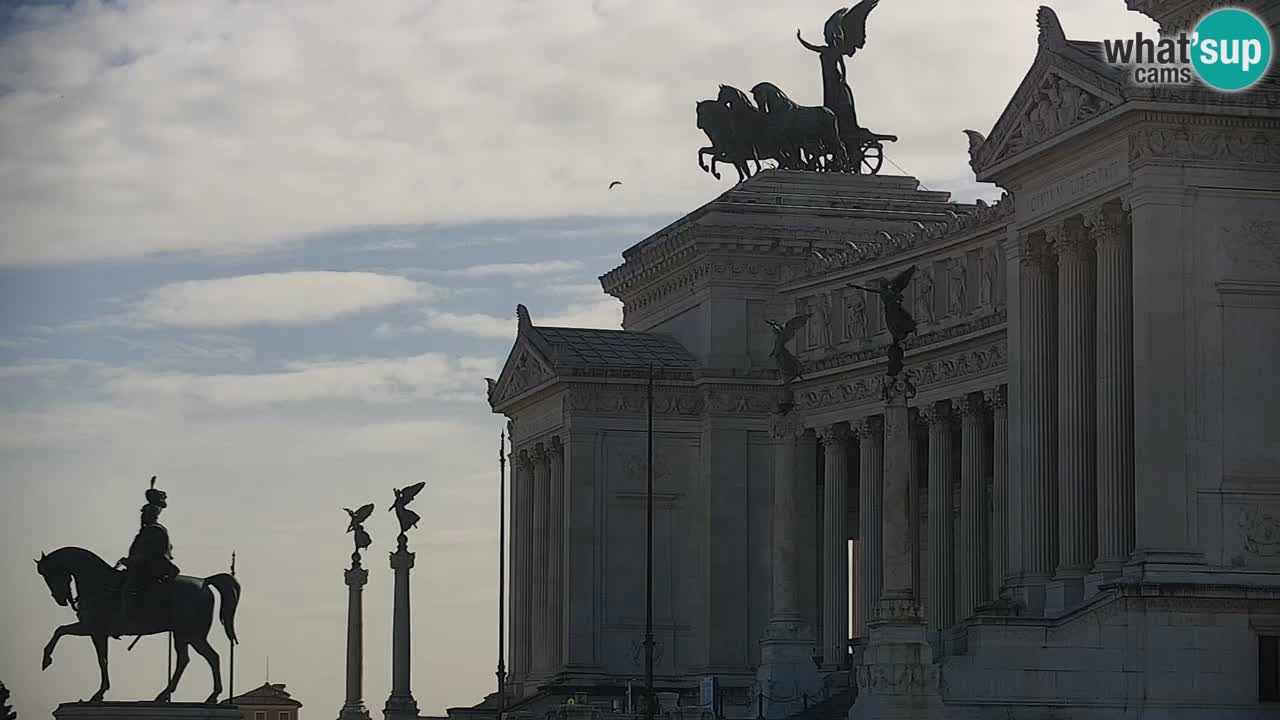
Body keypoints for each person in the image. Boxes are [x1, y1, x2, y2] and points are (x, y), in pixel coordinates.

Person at [115, 478, 180, 631]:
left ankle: (130, 616)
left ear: (151, 515)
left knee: (129, 588)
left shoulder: (154, 531)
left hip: (152, 570)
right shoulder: (147, 531)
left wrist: (130, 562)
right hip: (142, 567)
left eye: (144, 514)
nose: (142, 517)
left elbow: (150, 556)